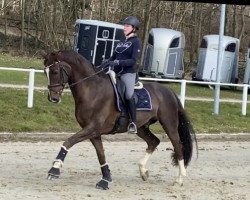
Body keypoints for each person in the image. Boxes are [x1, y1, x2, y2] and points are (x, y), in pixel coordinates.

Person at [107, 16, 142, 134]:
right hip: (116, 72)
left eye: (127, 26)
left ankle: (133, 122)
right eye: (124, 25)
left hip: (128, 73)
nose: (124, 28)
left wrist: (117, 62)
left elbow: (133, 61)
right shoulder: (121, 42)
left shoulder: (136, 42)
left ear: (134, 28)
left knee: (128, 95)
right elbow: (113, 57)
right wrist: (105, 63)